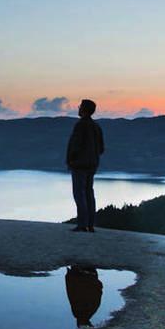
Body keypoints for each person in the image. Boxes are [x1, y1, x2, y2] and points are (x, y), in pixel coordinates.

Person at [66, 99, 104, 232]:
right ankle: (91, 224)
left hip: (79, 165)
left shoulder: (80, 125)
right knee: (89, 193)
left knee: (79, 194)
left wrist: (71, 160)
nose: (78, 108)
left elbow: (75, 145)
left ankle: (82, 224)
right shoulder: (96, 126)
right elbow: (101, 148)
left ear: (84, 109)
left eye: (80, 106)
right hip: (92, 165)